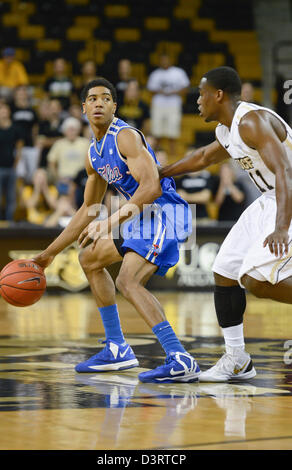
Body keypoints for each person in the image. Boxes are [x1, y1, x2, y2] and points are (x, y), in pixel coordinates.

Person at [33, 77, 200, 383]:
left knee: (128, 280)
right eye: (93, 98)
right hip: (137, 216)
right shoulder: (93, 154)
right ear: (83, 108)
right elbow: (86, 209)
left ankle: (180, 358)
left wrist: (108, 222)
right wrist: (48, 254)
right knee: (89, 260)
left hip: (164, 211)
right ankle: (117, 348)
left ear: (114, 106)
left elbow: (150, 188)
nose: (99, 103)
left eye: (106, 98)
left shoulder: (124, 137)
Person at [160, 66, 292, 382]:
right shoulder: (227, 129)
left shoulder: (251, 121)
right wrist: (162, 172)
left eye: (202, 94)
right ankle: (237, 360)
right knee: (224, 271)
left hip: (288, 194)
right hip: (269, 197)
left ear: (218, 95)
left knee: (256, 280)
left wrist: (281, 226)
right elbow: (204, 157)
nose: (198, 102)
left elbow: (286, 171)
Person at [147, 53, 190, 156]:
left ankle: (172, 155)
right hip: (158, 105)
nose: (164, 62)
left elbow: (185, 88)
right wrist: (160, 92)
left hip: (173, 105)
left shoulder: (178, 72)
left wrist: (173, 92)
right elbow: (150, 89)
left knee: (173, 132)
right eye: (162, 60)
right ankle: (155, 154)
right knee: (157, 132)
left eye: (166, 60)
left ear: (171, 60)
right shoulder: (155, 74)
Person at [0, 103, 24, 221]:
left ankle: (10, 226)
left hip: (11, 168)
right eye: (0, 110)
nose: (3, 112)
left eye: (5, 110)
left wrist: (16, 163)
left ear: (9, 112)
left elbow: (19, 147)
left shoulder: (15, 129)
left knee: (11, 199)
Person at [11, 85, 39, 184]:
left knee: (32, 173)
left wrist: (35, 142)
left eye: (24, 93)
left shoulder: (31, 110)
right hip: (16, 146)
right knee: (20, 173)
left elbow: (35, 128)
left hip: (30, 145)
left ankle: (31, 196)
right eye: (19, 93)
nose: (22, 95)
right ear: (15, 95)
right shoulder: (11, 109)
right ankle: (21, 198)